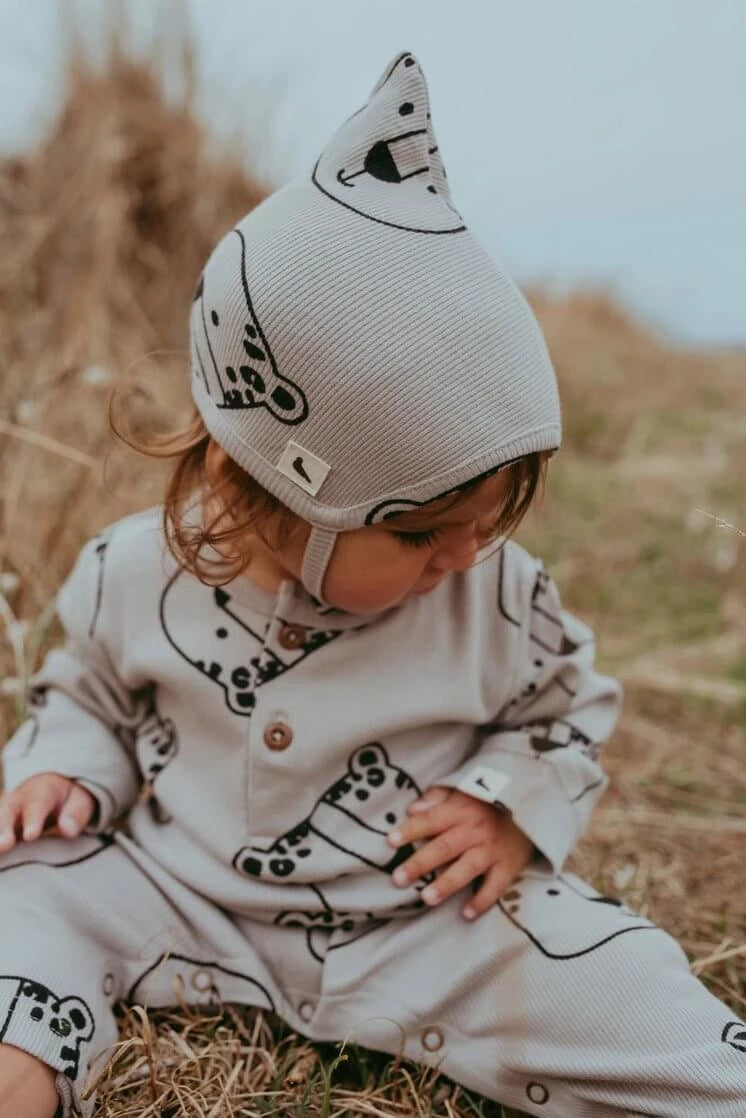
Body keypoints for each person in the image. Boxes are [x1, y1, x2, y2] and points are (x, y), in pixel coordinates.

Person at [0, 50, 743, 1118]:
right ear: (252, 480)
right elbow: (86, 693)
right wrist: (66, 767)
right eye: (425, 529)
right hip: (170, 889)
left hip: (423, 921)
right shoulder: (127, 572)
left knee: (623, 981)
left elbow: (564, 711)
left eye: (489, 521)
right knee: (26, 901)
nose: (463, 554)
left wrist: (505, 811)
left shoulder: (491, 592)